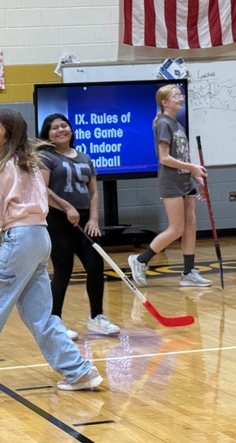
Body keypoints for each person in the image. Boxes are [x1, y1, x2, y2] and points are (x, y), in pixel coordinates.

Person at [0, 108, 103, 395]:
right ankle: (79, 372)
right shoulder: (27, 164)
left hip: (22, 242)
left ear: (9, 134)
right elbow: (21, 212)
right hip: (38, 239)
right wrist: (2, 236)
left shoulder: (1, 168)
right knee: (40, 314)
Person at [38, 113, 119, 340]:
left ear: (71, 130)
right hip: (57, 219)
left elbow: (93, 192)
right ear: (48, 134)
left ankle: (97, 317)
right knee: (63, 271)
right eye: (54, 128)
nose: (61, 130)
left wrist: (93, 219)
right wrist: (66, 208)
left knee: (95, 267)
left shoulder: (84, 157)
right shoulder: (45, 156)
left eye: (64, 125)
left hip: (85, 221)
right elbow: (43, 190)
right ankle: (54, 321)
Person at [127, 83, 211, 288]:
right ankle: (140, 261)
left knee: (190, 227)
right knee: (176, 229)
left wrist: (196, 175)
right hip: (171, 182)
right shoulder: (163, 124)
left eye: (180, 95)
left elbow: (181, 155)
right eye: (175, 96)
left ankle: (188, 272)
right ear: (165, 102)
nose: (180, 98)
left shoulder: (178, 125)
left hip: (185, 181)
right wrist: (192, 166)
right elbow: (164, 158)